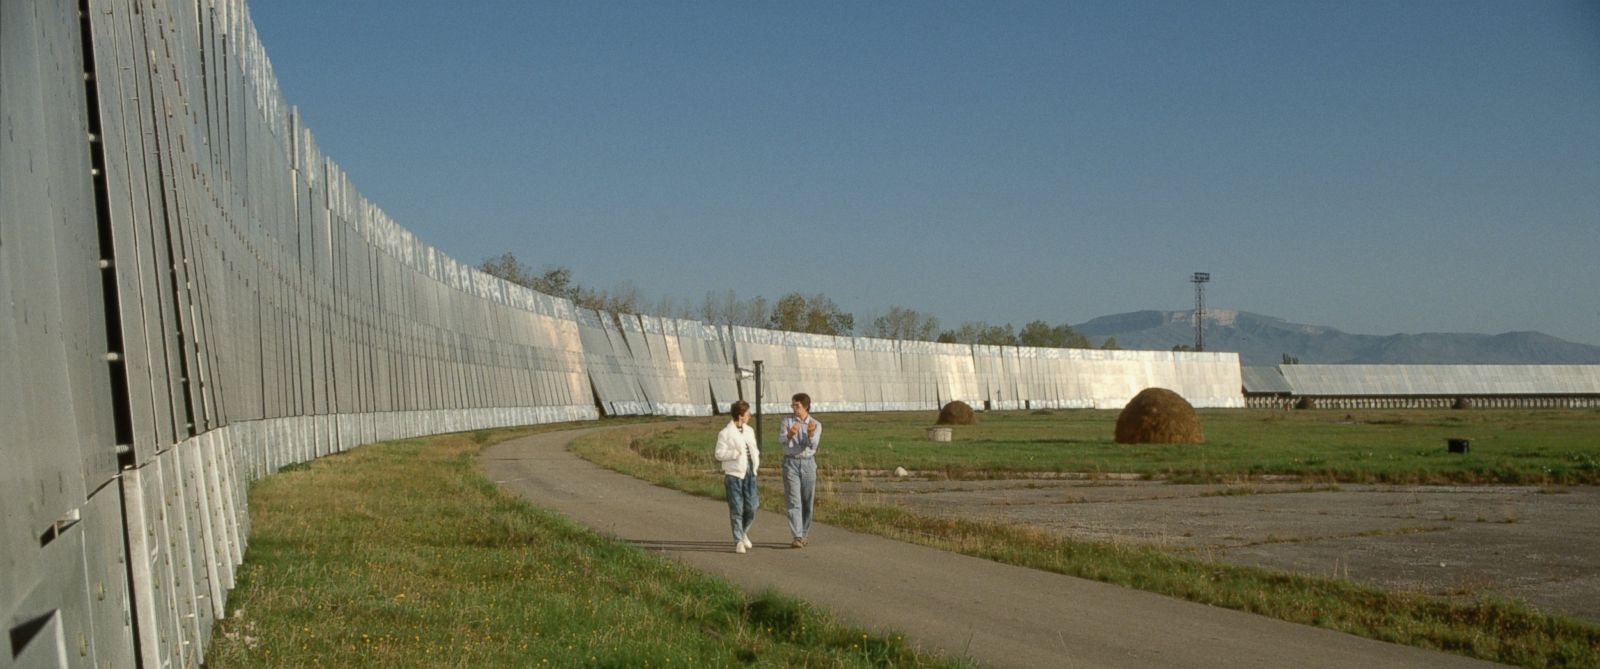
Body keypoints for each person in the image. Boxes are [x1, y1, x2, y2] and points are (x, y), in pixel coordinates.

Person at [713, 400, 760, 554]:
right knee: (737, 508)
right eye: (748, 413)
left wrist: (756, 463)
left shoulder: (749, 430)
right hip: (734, 475)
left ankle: (743, 531)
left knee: (752, 506)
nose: (750, 415)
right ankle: (738, 540)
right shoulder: (725, 433)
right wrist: (734, 454)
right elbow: (718, 454)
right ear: (740, 415)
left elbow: (754, 449)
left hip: (749, 473)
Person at [779, 392, 821, 548]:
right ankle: (797, 536)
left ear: (806, 407)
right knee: (793, 500)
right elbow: (781, 440)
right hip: (791, 463)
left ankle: (804, 533)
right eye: (793, 405)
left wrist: (810, 434)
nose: (794, 408)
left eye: (797, 406)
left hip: (808, 463)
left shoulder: (816, 424)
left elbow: (813, 445)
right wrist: (790, 435)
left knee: (807, 500)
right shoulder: (787, 421)